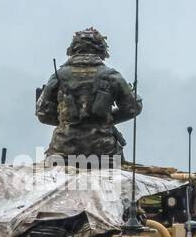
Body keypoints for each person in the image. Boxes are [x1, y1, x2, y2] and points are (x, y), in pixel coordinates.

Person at [35, 27, 142, 162]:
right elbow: (132, 108)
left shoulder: (59, 76)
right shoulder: (112, 76)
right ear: (102, 51)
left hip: (63, 152)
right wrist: (104, 120)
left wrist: (69, 120)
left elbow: (43, 115)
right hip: (105, 154)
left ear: (73, 50)